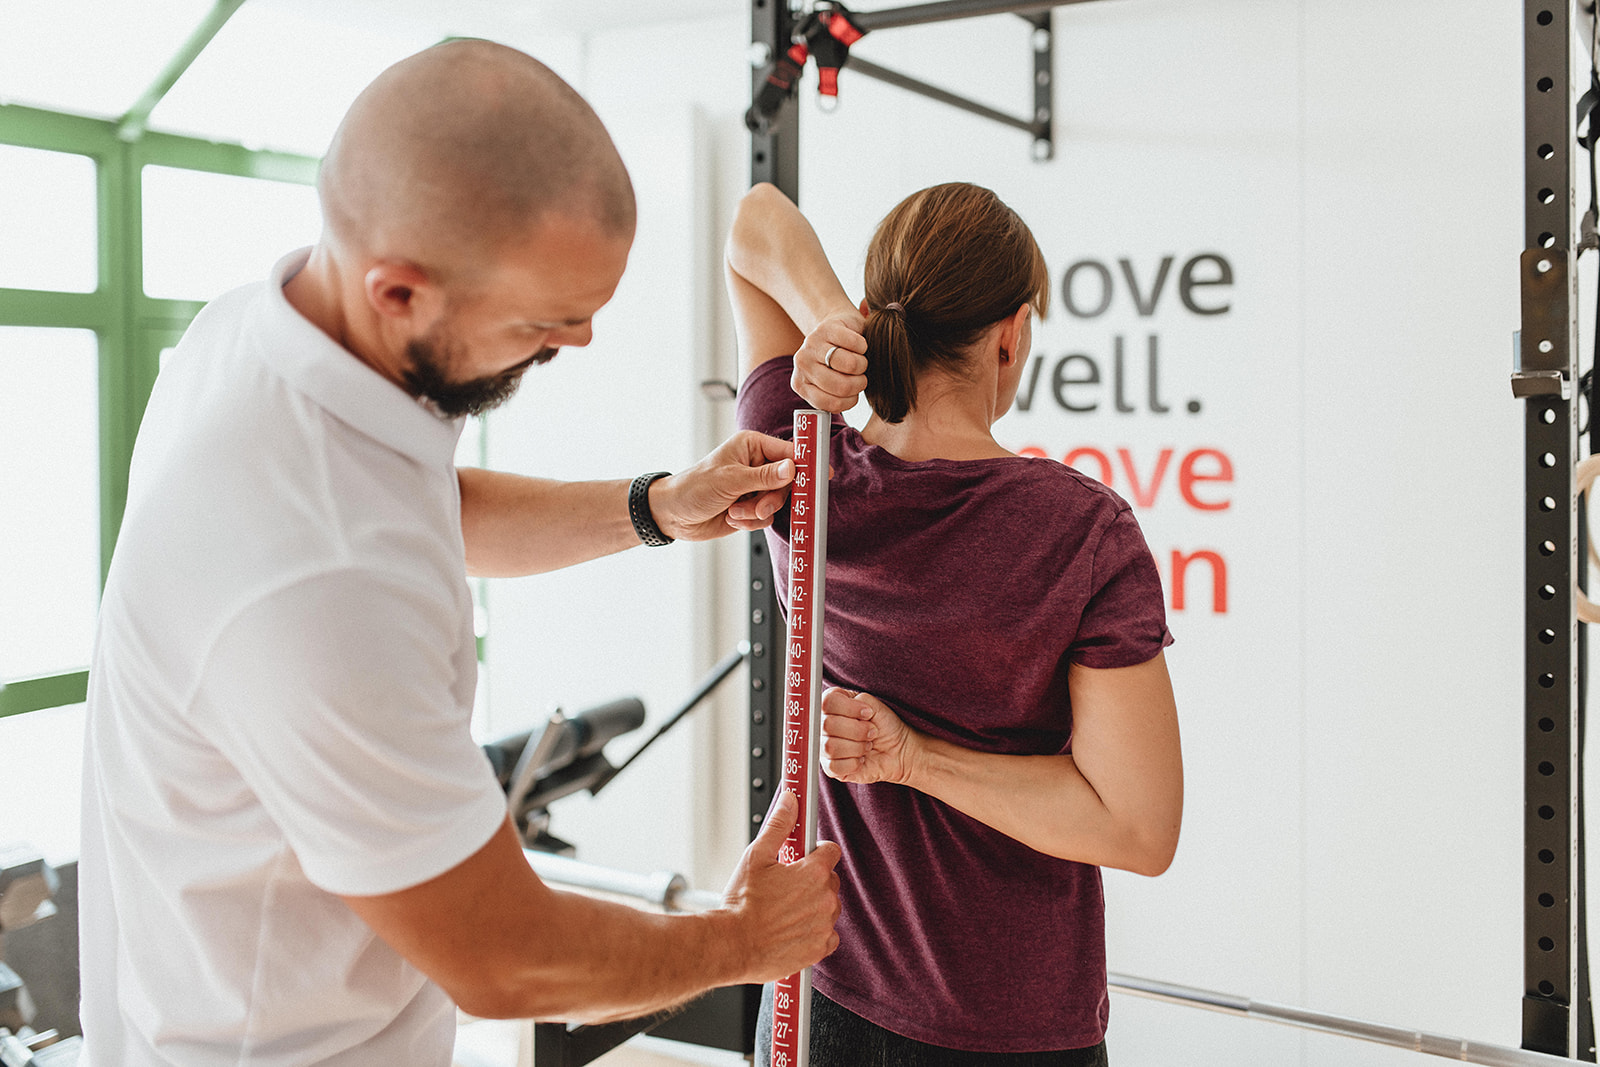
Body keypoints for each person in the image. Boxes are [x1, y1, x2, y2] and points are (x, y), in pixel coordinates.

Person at [78, 41, 841, 1066]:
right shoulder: (309, 577)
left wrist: (656, 506)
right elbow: (504, 957)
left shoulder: (249, 340)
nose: (575, 345)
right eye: (543, 322)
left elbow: (419, 505)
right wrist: (745, 940)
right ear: (397, 292)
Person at [725, 180, 1183, 1065]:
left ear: (870, 313)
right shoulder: (1080, 531)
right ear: (1012, 334)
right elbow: (1138, 828)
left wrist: (828, 317)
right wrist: (912, 757)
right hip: (1005, 1027)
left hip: (817, 994)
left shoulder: (803, 469)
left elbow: (754, 222)